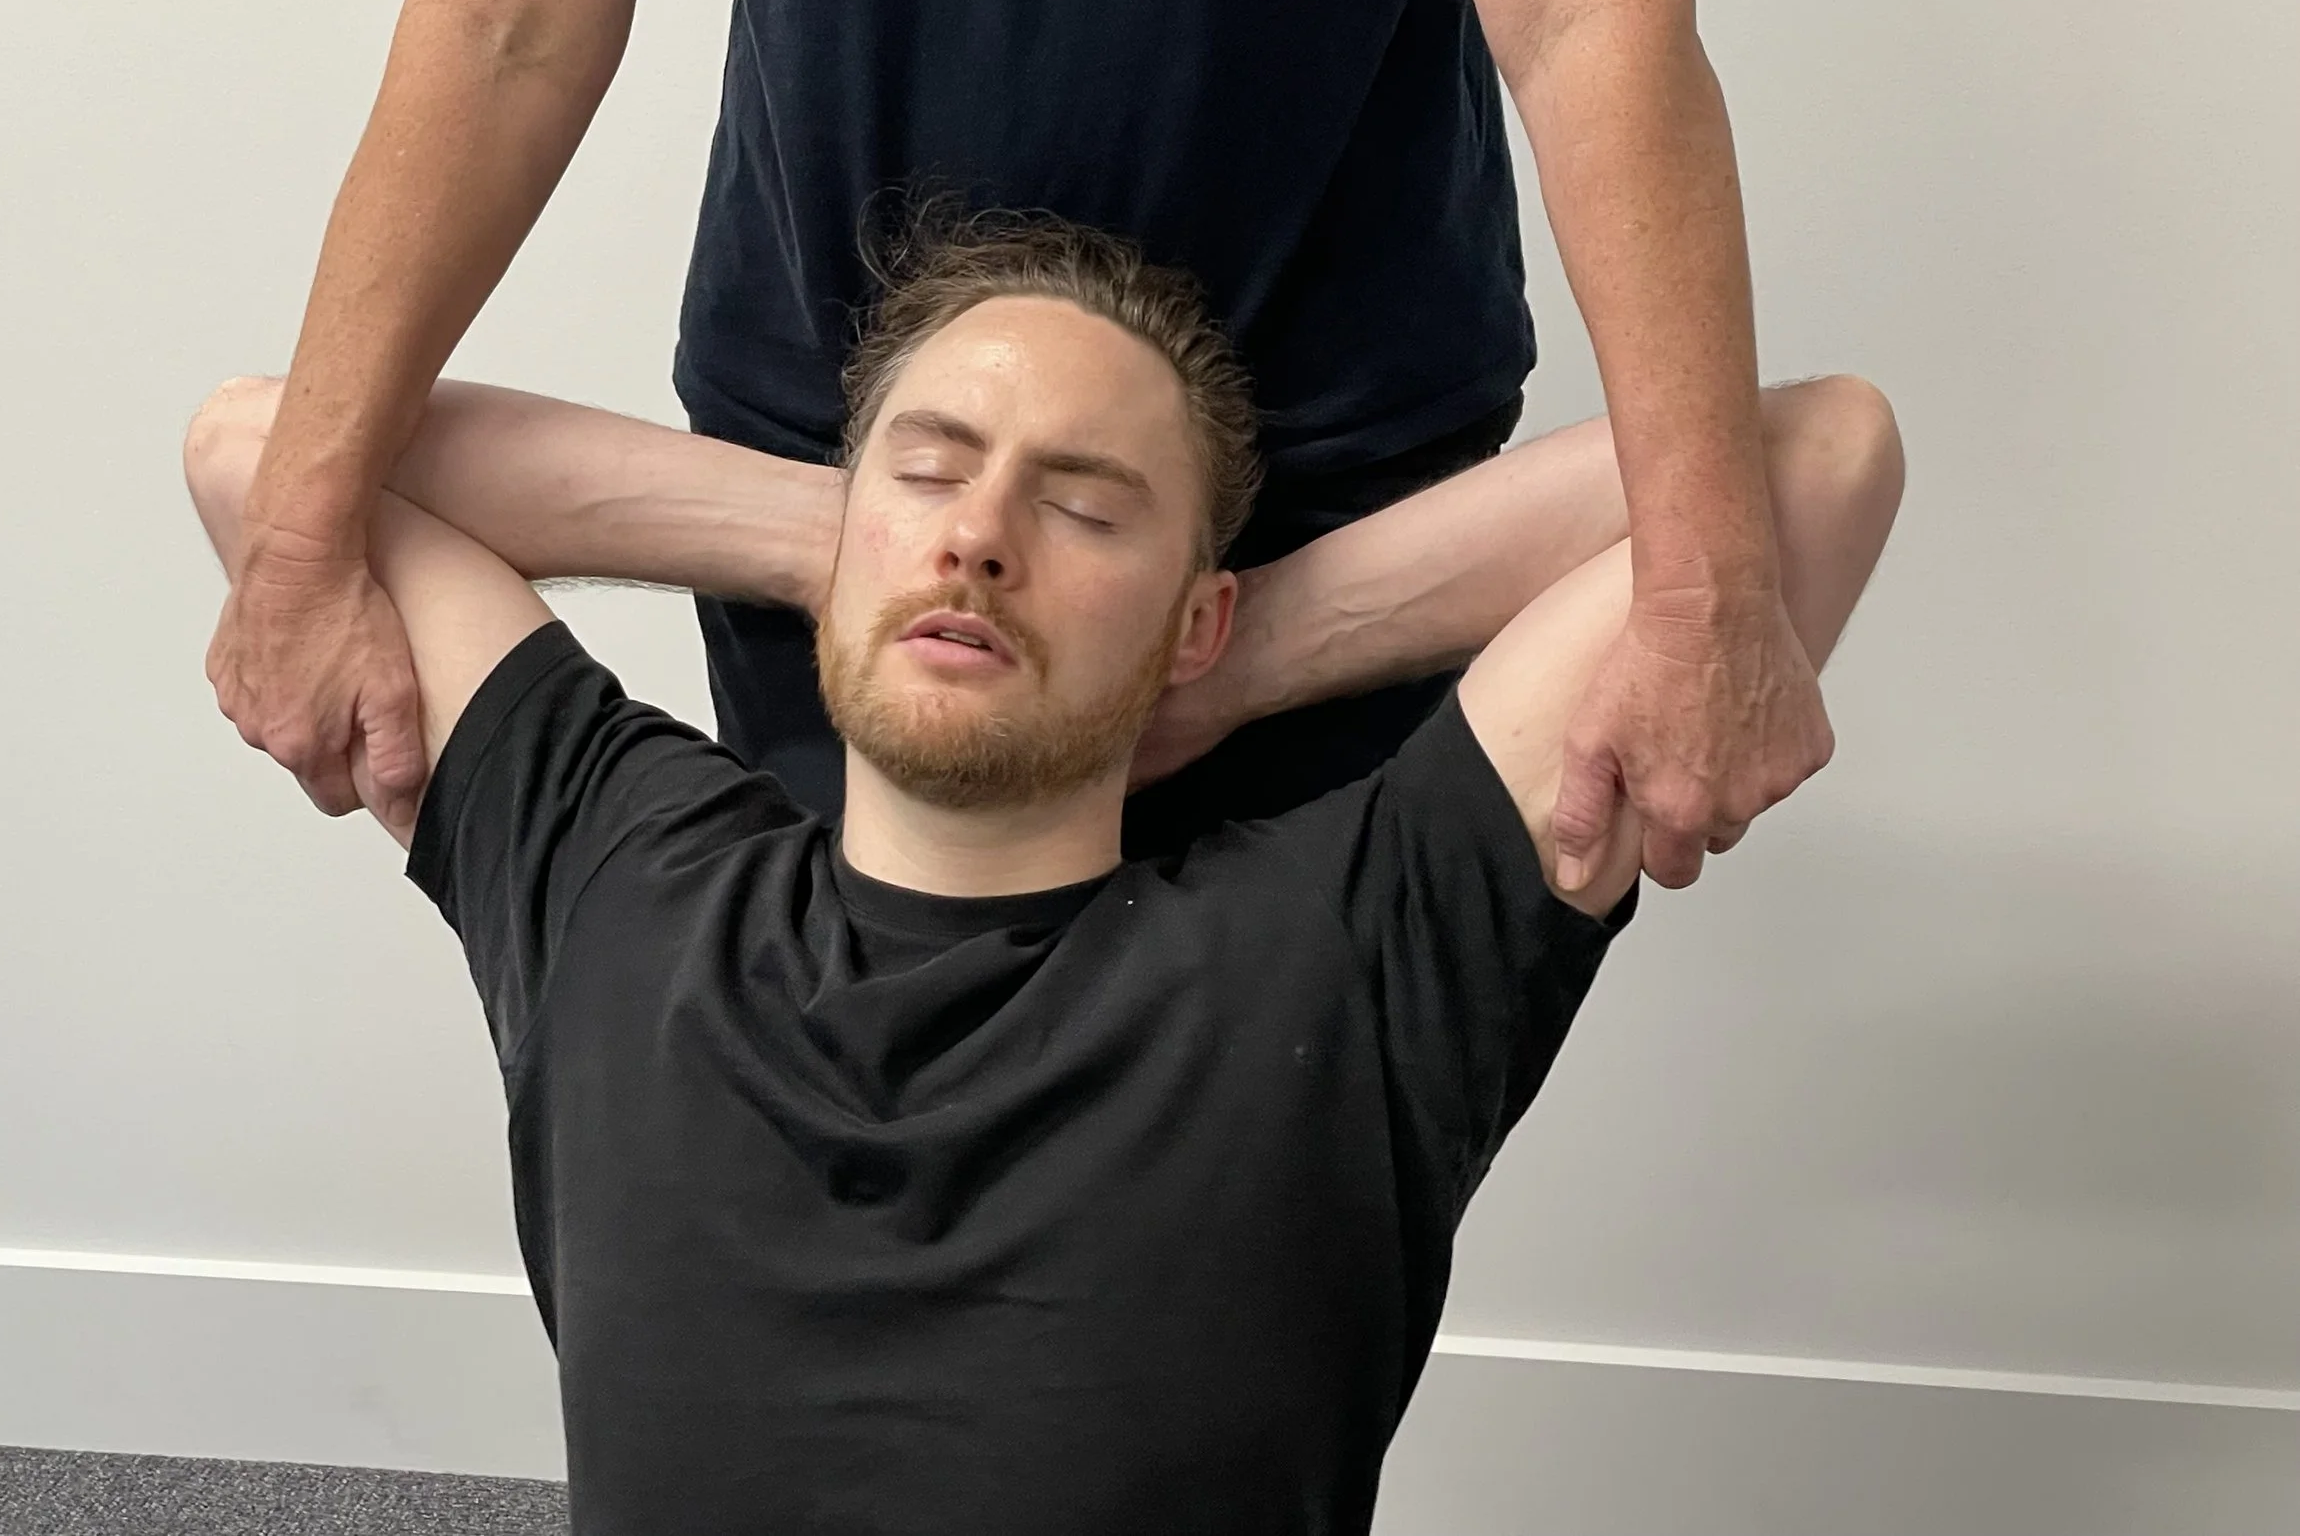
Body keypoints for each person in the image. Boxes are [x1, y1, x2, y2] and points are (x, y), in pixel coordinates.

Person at [185, 214, 1903, 1535]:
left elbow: (1818, 459)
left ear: (1196, 612)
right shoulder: (618, 864)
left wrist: (1243, 650)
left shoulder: (1355, 942)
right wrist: (832, 538)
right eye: (933, 467)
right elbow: (262, 454)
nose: (980, 532)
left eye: (1084, 510)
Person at [206, 0, 1835, 891]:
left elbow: (1589, 10)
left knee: (1275, 1165)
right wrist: (298, 540)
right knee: (819, 1118)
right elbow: (514, 14)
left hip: (1324, 498)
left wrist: (1702, 590)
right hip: (853, 480)